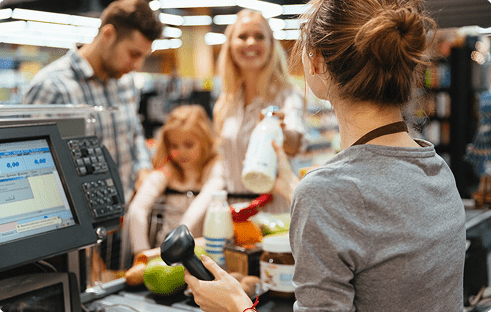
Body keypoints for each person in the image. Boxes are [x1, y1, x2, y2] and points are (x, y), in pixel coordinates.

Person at [184, 0, 466, 311]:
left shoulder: (327, 192)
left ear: (316, 62)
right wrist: (292, 185)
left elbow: (344, 205)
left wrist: (237, 305)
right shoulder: (437, 170)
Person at [22, 0, 163, 200]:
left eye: (143, 56)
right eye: (133, 54)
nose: (138, 65)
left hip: (127, 213)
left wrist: (143, 169)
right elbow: (29, 165)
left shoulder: (126, 81)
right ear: (108, 35)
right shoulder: (51, 87)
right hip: (83, 222)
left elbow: (134, 133)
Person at [210, 9, 307, 214]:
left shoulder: (287, 96)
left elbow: (296, 143)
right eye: (242, 36)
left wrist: (278, 130)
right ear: (230, 46)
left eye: (259, 36)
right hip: (235, 213)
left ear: (272, 46)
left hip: (276, 212)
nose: (250, 42)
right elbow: (223, 163)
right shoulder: (225, 103)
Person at [125, 105, 221, 255]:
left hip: (203, 252)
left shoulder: (215, 168)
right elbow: (137, 210)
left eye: (188, 145)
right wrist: (141, 252)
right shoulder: (166, 172)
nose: (181, 152)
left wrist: (179, 240)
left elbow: (200, 206)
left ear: (205, 141)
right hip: (164, 254)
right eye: (174, 145)